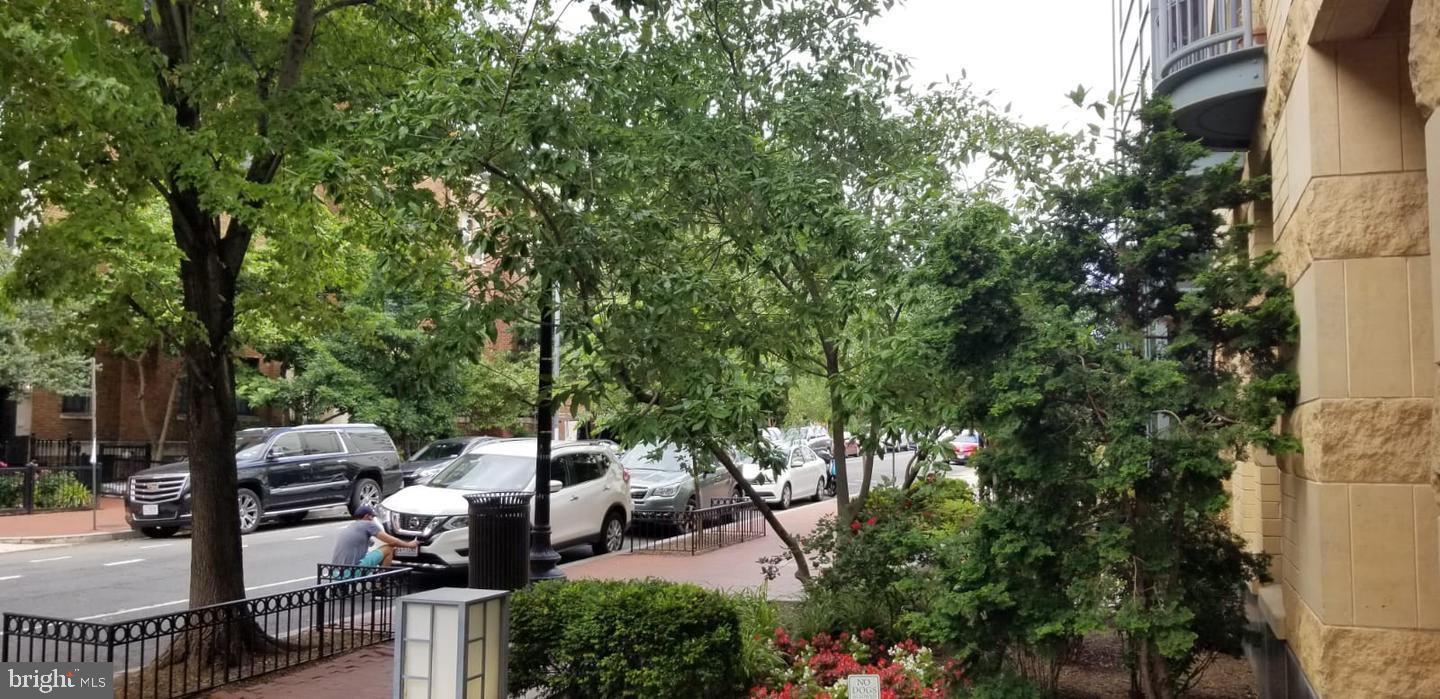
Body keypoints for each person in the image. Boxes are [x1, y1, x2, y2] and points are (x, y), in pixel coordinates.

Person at [330, 505, 418, 568]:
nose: (372, 520)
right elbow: (392, 541)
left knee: (375, 552)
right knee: (389, 548)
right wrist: (409, 545)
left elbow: (371, 543)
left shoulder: (351, 526)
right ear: (366, 516)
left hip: (337, 571)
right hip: (352, 570)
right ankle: (380, 583)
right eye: (372, 517)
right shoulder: (368, 524)